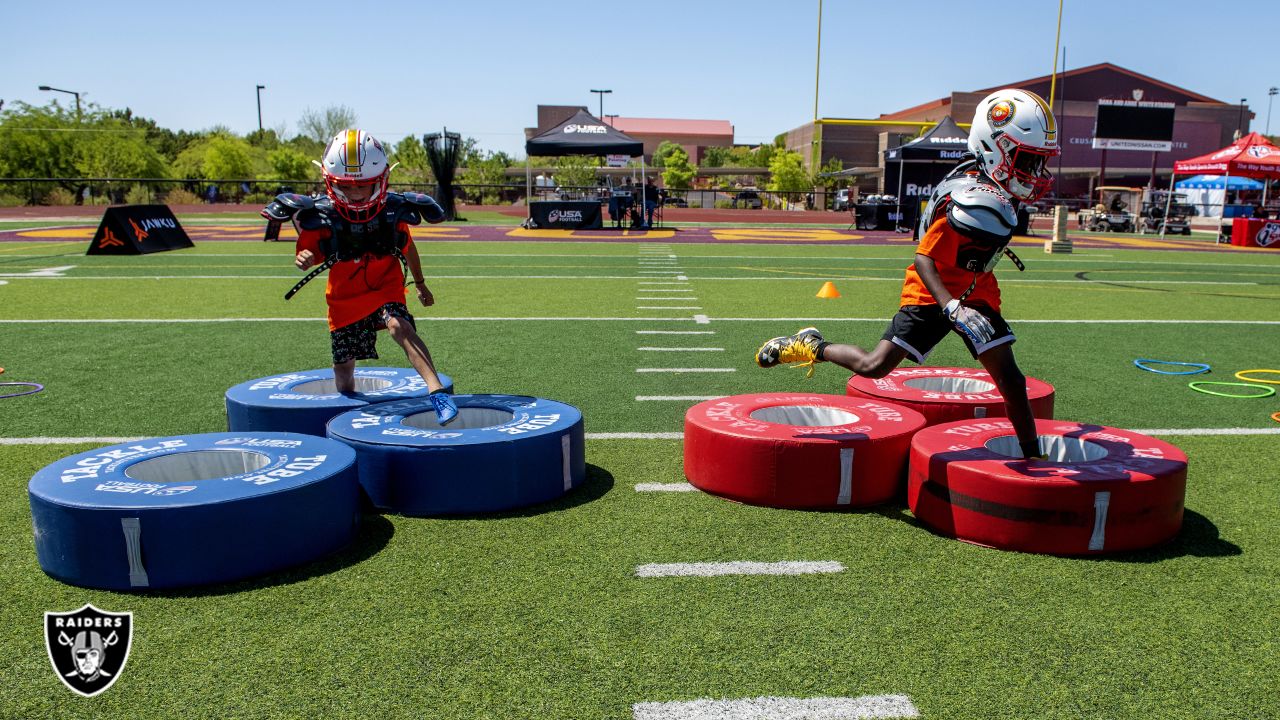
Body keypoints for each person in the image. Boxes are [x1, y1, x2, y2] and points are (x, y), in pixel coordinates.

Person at [755, 89, 1060, 460]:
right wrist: (949, 306)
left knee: (1012, 380)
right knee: (874, 366)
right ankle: (810, 344)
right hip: (932, 294)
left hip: (974, 293)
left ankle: (1034, 457)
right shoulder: (967, 197)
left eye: (1038, 161)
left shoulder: (992, 184)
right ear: (994, 146)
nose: (1034, 172)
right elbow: (923, 259)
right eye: (1027, 160)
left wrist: (964, 303)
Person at [264, 129, 457, 424]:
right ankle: (345, 414)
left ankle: (437, 391)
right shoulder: (322, 215)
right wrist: (305, 259)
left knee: (399, 326)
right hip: (343, 299)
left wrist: (420, 283)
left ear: (380, 181)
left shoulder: (392, 211)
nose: (355, 193)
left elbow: (408, 247)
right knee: (343, 369)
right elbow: (312, 251)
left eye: (363, 187)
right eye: (347, 187)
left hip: (385, 287)